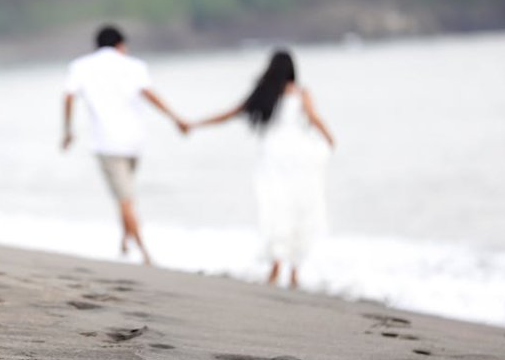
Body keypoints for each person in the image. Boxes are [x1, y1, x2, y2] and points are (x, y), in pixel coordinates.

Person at [188, 50, 334, 287]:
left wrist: (194, 124)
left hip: (273, 155)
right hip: (299, 154)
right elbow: (314, 118)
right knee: (300, 206)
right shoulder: (300, 92)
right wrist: (330, 139)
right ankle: (294, 272)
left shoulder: (264, 93)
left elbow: (228, 114)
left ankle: (276, 265)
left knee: (275, 206)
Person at [62, 25, 188, 266]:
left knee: (125, 198)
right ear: (121, 44)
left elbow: (68, 96)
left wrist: (68, 131)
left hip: (106, 143)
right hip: (134, 141)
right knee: (126, 197)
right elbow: (150, 95)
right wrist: (176, 118)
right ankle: (139, 250)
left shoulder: (81, 66)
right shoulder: (135, 66)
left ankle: (135, 249)